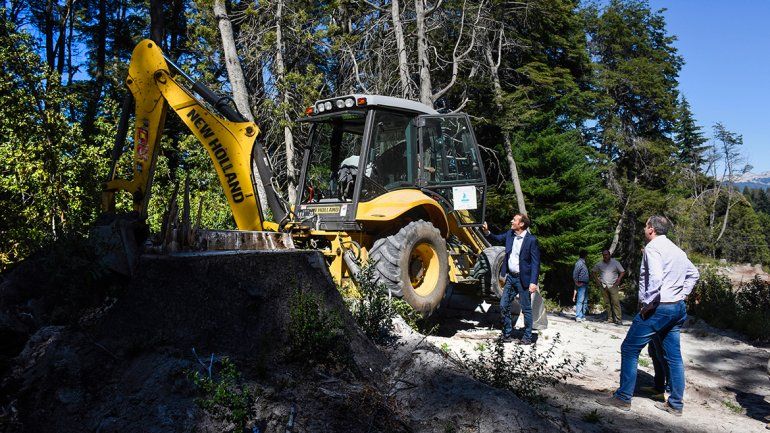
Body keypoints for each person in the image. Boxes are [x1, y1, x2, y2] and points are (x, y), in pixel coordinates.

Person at [598, 215, 699, 416]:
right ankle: (676, 404)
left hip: (659, 308)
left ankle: (623, 398)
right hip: (677, 307)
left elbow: (656, 278)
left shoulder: (653, 248)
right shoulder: (677, 250)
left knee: (629, 348)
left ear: (651, 229)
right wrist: (683, 294)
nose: (645, 229)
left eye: (646, 226)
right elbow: (694, 273)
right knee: (674, 357)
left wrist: (648, 304)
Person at [482, 214, 541, 345]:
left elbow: (536, 263)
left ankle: (527, 337)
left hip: (524, 279)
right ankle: (507, 334)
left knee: (526, 309)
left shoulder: (531, 240)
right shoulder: (510, 234)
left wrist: (533, 282)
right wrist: (487, 232)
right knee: (503, 305)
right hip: (511, 278)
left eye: (514, 220)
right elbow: (497, 238)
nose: (511, 221)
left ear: (521, 224)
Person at [592, 249, 626, 325]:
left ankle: (618, 319)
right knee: (607, 303)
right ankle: (610, 318)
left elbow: (622, 271)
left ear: (609, 255)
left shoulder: (615, 263)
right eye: (604, 255)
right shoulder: (599, 264)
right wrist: (597, 281)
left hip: (613, 285)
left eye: (606, 254)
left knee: (616, 302)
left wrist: (619, 279)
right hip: (603, 286)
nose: (605, 256)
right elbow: (593, 272)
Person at [572, 250, 590, 322]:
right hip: (581, 283)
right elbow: (575, 274)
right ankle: (578, 316)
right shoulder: (579, 263)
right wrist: (577, 283)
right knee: (580, 300)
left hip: (585, 284)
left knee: (585, 301)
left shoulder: (583, 263)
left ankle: (582, 316)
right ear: (585, 256)